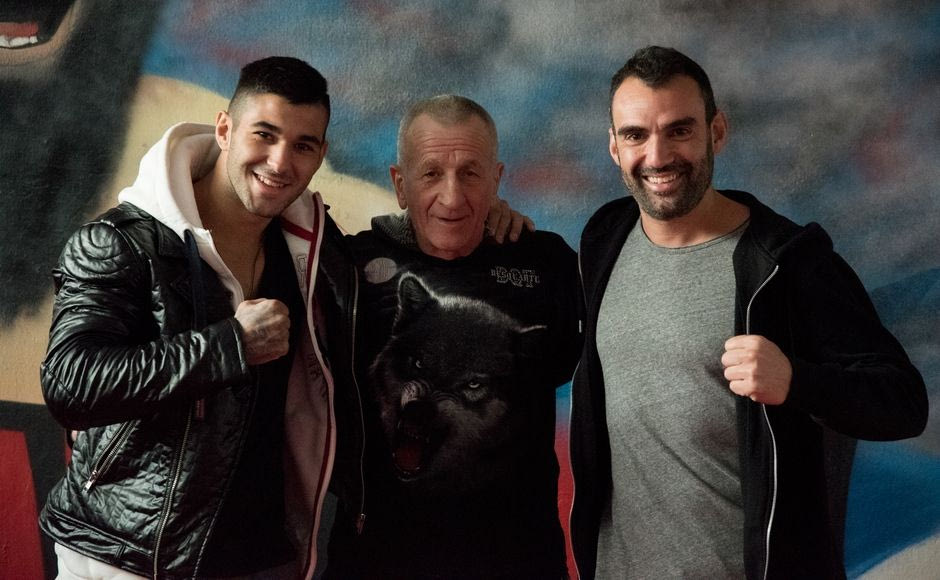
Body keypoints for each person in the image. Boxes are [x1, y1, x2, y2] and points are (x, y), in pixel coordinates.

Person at [38, 57, 527, 580]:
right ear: (225, 129)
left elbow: (412, 242)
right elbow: (70, 384)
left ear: (320, 156)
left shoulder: (314, 253)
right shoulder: (118, 243)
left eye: (303, 145)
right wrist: (230, 344)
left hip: (260, 554)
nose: (279, 162)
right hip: (131, 553)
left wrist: (490, 218)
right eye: (264, 135)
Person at [568, 46, 928, 580]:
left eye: (679, 131)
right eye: (636, 135)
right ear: (614, 147)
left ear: (716, 132)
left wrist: (797, 381)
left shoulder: (786, 263)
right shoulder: (605, 238)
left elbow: (904, 404)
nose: (658, 156)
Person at [323, 95, 582, 579]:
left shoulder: (547, 264)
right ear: (400, 184)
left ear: (496, 180)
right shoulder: (347, 269)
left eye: (470, 174)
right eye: (431, 174)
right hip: (375, 562)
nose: (452, 197)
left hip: (517, 564)